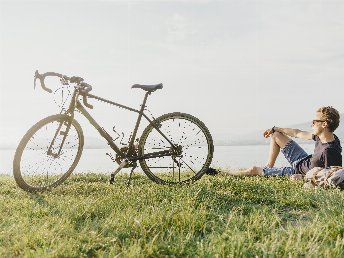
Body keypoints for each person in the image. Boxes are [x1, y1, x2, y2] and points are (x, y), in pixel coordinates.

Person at [231, 106, 342, 180]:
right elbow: (297, 133)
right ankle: (268, 168)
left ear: (324, 124)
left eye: (314, 122)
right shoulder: (321, 137)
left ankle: (220, 173)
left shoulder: (330, 150)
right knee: (276, 135)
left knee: (253, 170)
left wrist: (302, 178)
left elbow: (331, 177)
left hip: (298, 171)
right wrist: (275, 128)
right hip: (303, 160)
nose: (311, 124)